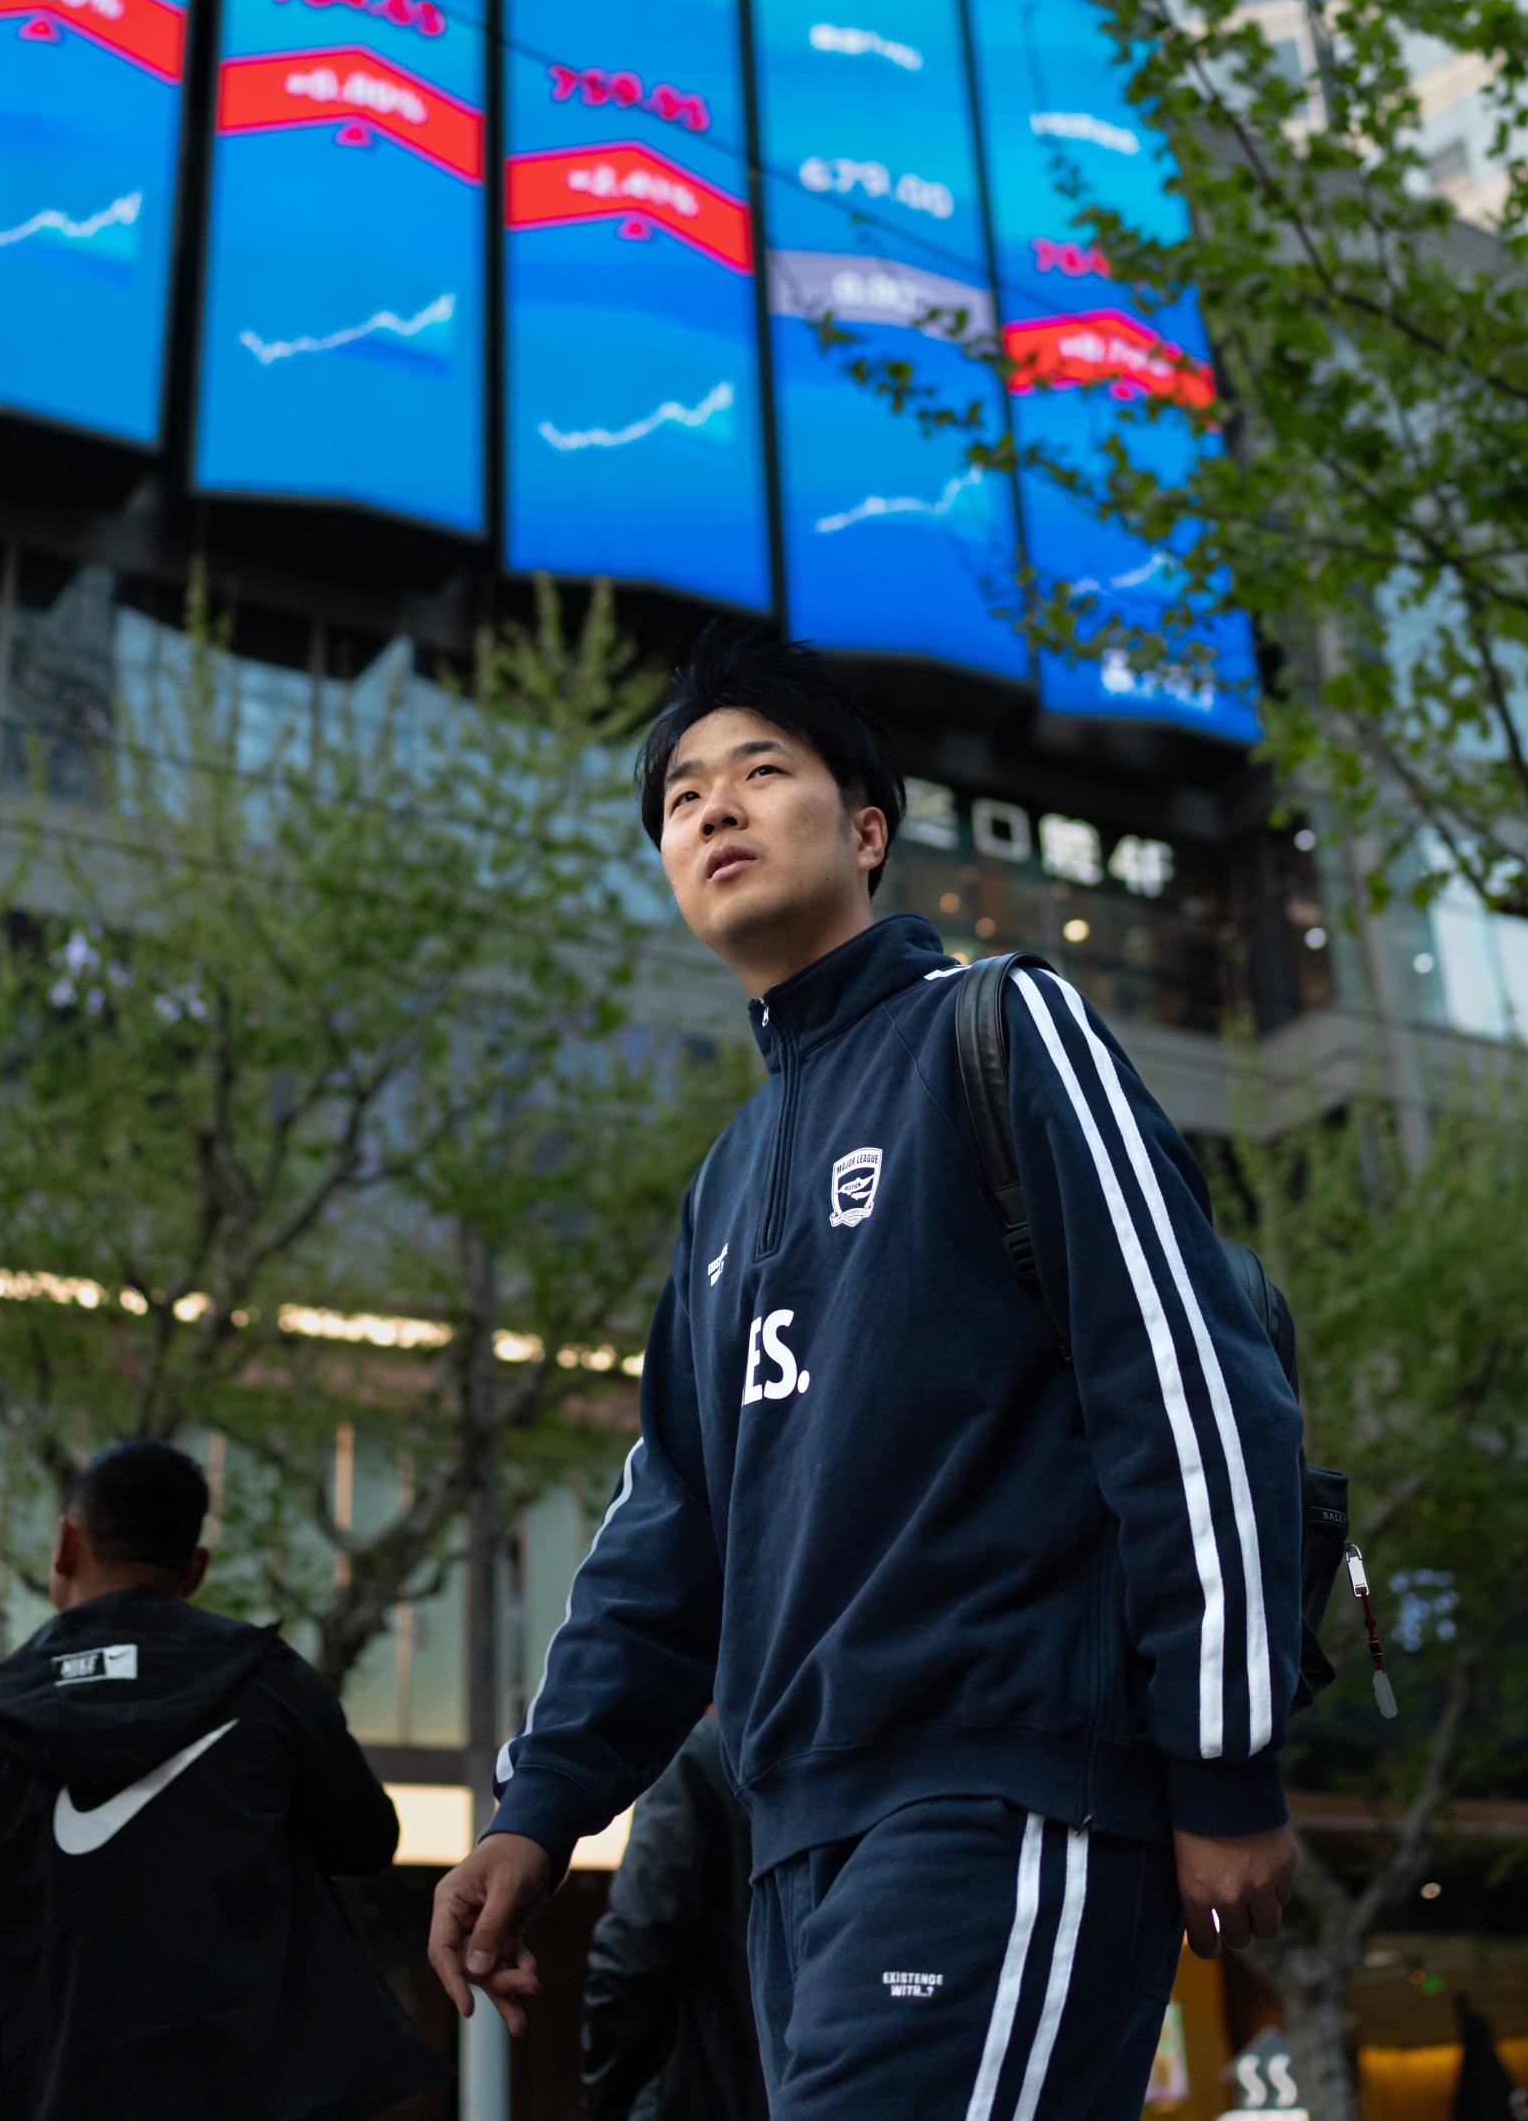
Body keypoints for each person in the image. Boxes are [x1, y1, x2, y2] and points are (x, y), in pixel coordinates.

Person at [430, 626, 1304, 2120]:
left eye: (761, 773)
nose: (713, 809)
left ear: (868, 828)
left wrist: (1222, 1764)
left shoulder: (1001, 1028)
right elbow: (671, 1534)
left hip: (1008, 1785)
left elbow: (1189, 1392)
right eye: (681, 798)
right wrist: (539, 1811)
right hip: (795, 1840)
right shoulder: (728, 1179)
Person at [0, 1439, 434, 2121]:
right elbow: (366, 1841)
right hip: (253, 2090)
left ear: (65, 1546)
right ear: (195, 1568)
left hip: (48, 2090)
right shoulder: (271, 1684)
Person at [584, 1716, 766, 2121]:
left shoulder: (702, 1754)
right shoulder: (857, 1755)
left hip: (703, 2095)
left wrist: (610, 2103)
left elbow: (633, 1948)